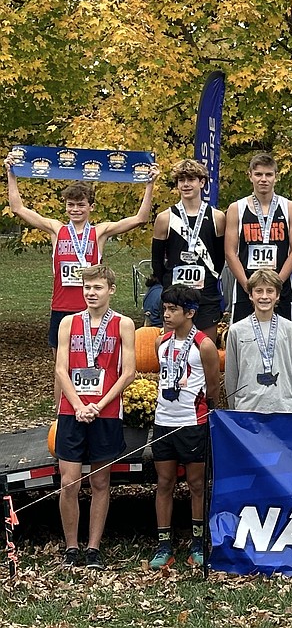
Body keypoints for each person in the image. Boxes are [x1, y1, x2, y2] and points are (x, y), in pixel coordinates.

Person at [6, 158, 158, 352]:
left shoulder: (99, 232)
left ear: (91, 207)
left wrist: (149, 185)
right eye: (71, 205)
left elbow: (140, 219)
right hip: (61, 307)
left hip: (91, 308)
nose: (75, 210)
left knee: (91, 362)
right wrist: (12, 175)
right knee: (60, 366)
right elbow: (18, 208)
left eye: (80, 205)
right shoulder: (56, 229)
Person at [52, 265, 136, 569]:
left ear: (110, 290)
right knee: (69, 482)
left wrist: (99, 405)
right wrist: (77, 405)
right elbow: (61, 369)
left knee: (101, 482)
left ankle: (93, 548)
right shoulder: (68, 323)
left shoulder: (123, 324)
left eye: (97, 287)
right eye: (87, 287)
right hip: (71, 411)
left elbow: (129, 372)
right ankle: (71, 546)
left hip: (107, 412)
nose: (91, 293)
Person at [149, 284, 220, 570]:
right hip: (163, 421)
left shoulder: (204, 344)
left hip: (192, 423)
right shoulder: (160, 342)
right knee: (164, 482)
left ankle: (198, 542)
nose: (166, 314)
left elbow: (213, 387)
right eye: (164, 309)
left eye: (172, 310)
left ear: (190, 313)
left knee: (196, 485)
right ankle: (164, 544)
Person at [224, 153, 292, 322]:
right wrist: (247, 285)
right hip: (246, 289)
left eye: (268, 174)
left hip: (280, 288)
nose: (263, 179)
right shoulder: (236, 208)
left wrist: (277, 284)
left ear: (276, 177)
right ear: (250, 176)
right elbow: (230, 252)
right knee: (244, 342)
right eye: (258, 174)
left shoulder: (290, 208)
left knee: (283, 341)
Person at [152, 160, 226, 335]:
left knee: (205, 350)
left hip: (206, 295)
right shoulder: (165, 218)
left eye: (191, 179)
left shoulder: (217, 217)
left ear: (201, 182)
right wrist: (169, 286)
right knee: (173, 350)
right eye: (181, 180)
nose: (185, 184)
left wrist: (210, 278)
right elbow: (157, 261)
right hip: (175, 296)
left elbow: (219, 258)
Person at [223, 269, 292, 412]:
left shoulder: (290, 329)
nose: (264, 296)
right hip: (247, 409)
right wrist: (235, 408)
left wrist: (291, 403)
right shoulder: (236, 330)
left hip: (283, 408)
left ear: (277, 295)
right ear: (251, 295)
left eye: (270, 291)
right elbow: (231, 376)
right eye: (259, 291)